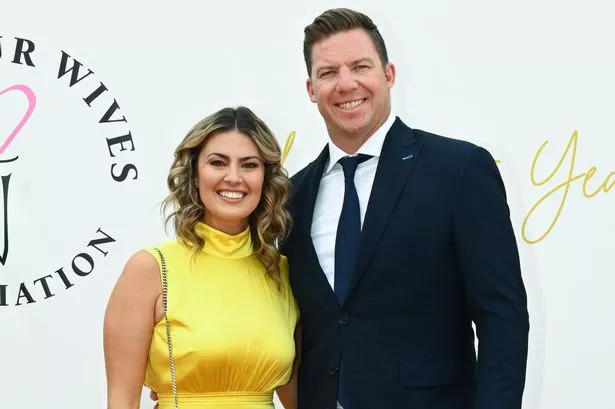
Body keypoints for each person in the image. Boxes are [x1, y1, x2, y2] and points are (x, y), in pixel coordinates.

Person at [280, 8, 530, 409]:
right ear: (311, 89)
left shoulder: (458, 170)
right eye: (328, 73)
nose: (346, 83)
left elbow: (502, 314)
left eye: (360, 66)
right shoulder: (292, 195)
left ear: (389, 74)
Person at [104, 106, 300, 409]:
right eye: (218, 163)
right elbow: (122, 400)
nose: (233, 177)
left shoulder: (282, 271)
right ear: (195, 174)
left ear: (266, 178)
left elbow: (300, 398)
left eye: (249, 165)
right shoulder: (151, 269)